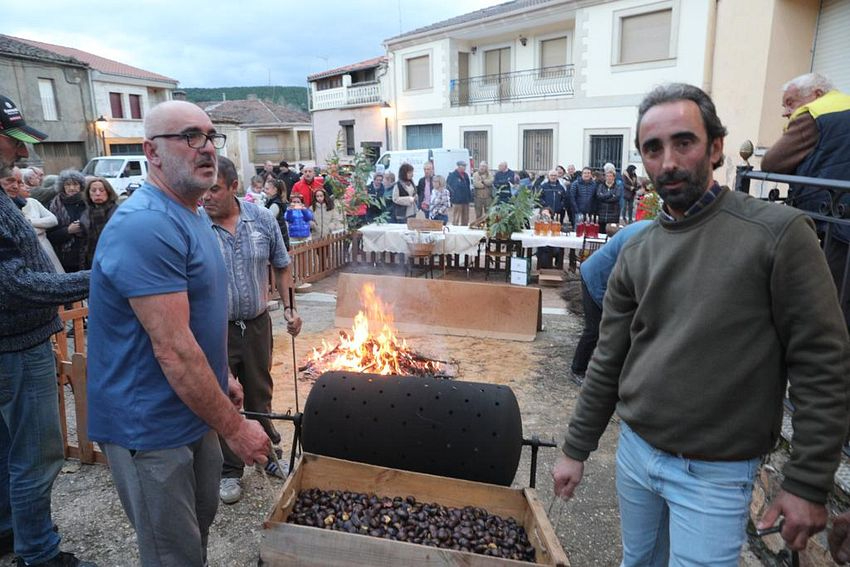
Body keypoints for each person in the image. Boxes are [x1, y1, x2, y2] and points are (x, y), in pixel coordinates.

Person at [552, 83, 850, 566]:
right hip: (636, 453)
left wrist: (808, 481)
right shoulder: (638, 249)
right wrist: (575, 449)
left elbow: (822, 361)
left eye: (684, 142)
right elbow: (609, 357)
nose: (668, 161)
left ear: (715, 147)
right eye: (653, 149)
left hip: (715, 474)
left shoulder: (777, 235)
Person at [87, 100, 270, 567]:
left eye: (210, 136)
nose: (206, 148)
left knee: (196, 537)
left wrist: (221, 376)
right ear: (152, 151)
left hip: (193, 410)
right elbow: (172, 348)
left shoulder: (192, 213)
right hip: (149, 426)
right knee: (174, 554)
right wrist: (236, 429)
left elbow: (196, 319)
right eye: (190, 137)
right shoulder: (146, 225)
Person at [0, 94, 94, 567]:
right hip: (17, 347)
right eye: (13, 140)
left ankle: (9, 533)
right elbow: (13, 283)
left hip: (11, 344)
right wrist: (96, 278)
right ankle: (39, 554)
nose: (23, 152)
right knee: (37, 454)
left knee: (8, 451)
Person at [199, 155, 303, 505]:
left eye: (214, 189)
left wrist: (289, 307)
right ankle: (230, 470)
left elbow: (282, 265)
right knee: (224, 395)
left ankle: (267, 454)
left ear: (234, 187)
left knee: (260, 390)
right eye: (203, 189)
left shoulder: (262, 219)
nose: (206, 196)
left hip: (258, 324)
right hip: (215, 329)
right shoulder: (195, 225)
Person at [761, 72, 850, 327]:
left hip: (833, 220)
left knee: (829, 299)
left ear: (816, 94)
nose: (786, 112)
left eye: (790, 103)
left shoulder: (814, 113)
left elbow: (772, 162)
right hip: (838, 214)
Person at [568, 220, 651, 386]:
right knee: (594, 329)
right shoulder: (641, 240)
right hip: (596, 276)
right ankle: (577, 369)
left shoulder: (652, 230)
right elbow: (630, 277)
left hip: (606, 275)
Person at [14, 168, 64, 273]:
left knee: (56, 274)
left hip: (46, 247)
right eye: (22, 185)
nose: (27, 187)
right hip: (28, 253)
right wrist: (41, 227)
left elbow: (53, 220)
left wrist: (29, 222)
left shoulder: (33, 202)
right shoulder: (10, 207)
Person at [47, 170, 87, 273]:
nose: (72, 188)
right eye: (68, 184)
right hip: (65, 258)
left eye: (75, 184)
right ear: (62, 186)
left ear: (81, 186)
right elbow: (49, 236)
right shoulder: (53, 205)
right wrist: (68, 231)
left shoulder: (88, 203)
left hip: (87, 254)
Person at [79, 177, 118, 269]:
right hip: (91, 260)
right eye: (93, 190)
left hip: (113, 260)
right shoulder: (85, 214)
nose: (97, 193)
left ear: (109, 192)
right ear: (88, 194)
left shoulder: (117, 213)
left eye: (101, 190)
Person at [264, 178, 290, 250]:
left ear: (275, 190)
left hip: (279, 242)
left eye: (267, 189)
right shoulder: (274, 202)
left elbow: (267, 221)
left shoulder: (275, 205)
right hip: (280, 240)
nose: (265, 191)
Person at [446, 160, 471, 226]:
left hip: (465, 200)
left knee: (465, 218)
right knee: (456, 218)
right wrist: (452, 196)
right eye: (463, 166)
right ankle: (455, 228)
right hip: (457, 200)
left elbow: (468, 186)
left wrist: (469, 197)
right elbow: (449, 187)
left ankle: (464, 228)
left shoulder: (466, 175)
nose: (465, 168)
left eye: (465, 166)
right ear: (459, 166)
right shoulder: (452, 175)